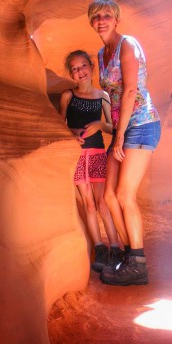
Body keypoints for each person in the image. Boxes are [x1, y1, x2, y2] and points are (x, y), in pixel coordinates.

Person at [88, 0, 161, 286]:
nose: (101, 20)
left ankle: (138, 264)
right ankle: (130, 257)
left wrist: (117, 137)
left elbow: (130, 91)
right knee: (108, 197)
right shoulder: (100, 53)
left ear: (116, 19)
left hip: (141, 125)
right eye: (95, 17)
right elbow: (110, 96)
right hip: (122, 129)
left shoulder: (127, 45)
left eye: (106, 15)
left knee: (124, 195)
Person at [60, 50, 120, 272]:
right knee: (88, 203)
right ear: (71, 73)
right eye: (74, 69)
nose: (79, 71)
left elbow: (113, 126)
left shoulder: (102, 96)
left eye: (83, 66)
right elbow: (60, 124)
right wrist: (72, 131)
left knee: (102, 202)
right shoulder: (68, 96)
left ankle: (114, 245)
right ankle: (99, 247)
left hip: (96, 154)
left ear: (92, 67)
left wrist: (99, 126)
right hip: (76, 155)